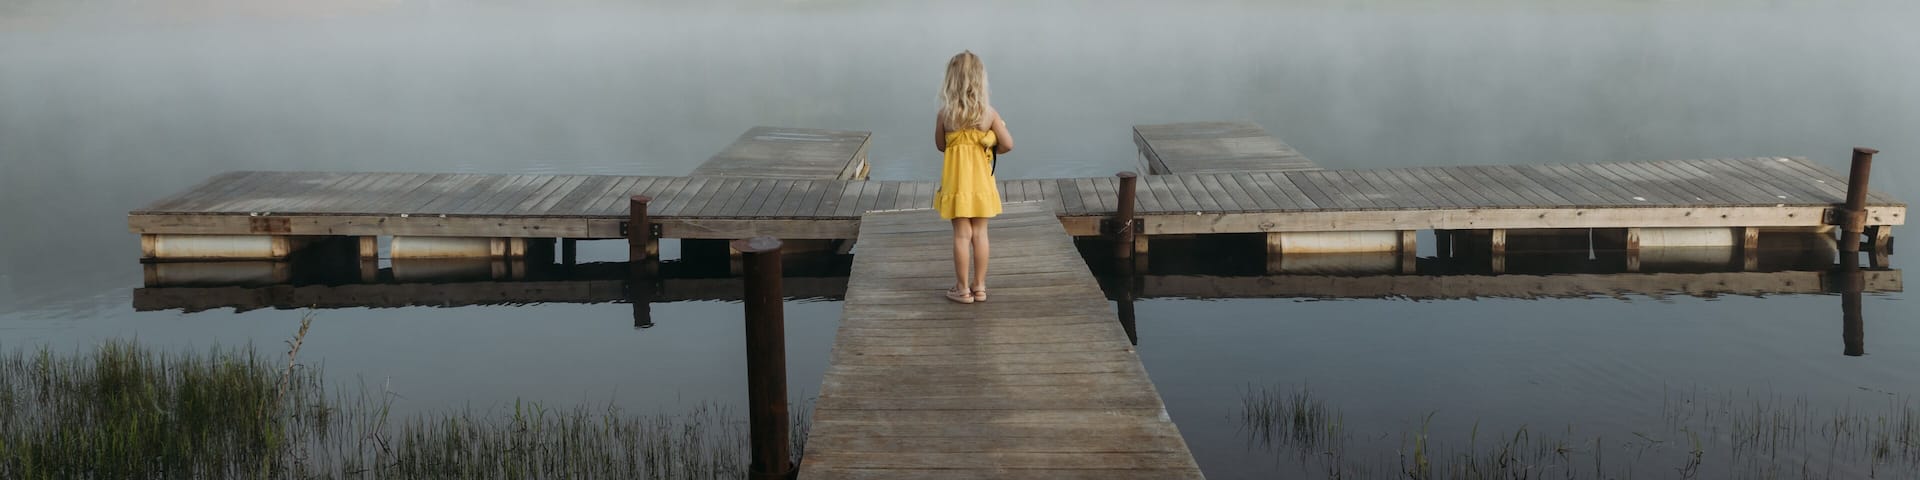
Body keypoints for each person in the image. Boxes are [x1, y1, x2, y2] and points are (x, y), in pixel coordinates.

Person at [932, 50, 1012, 304]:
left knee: (961, 235)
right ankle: (980, 287)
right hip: (981, 184)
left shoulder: (945, 115)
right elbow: (1008, 145)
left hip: (957, 184)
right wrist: (991, 142)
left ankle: (962, 289)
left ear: (951, 82)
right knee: (980, 234)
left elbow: (940, 146)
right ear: (980, 81)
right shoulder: (988, 113)